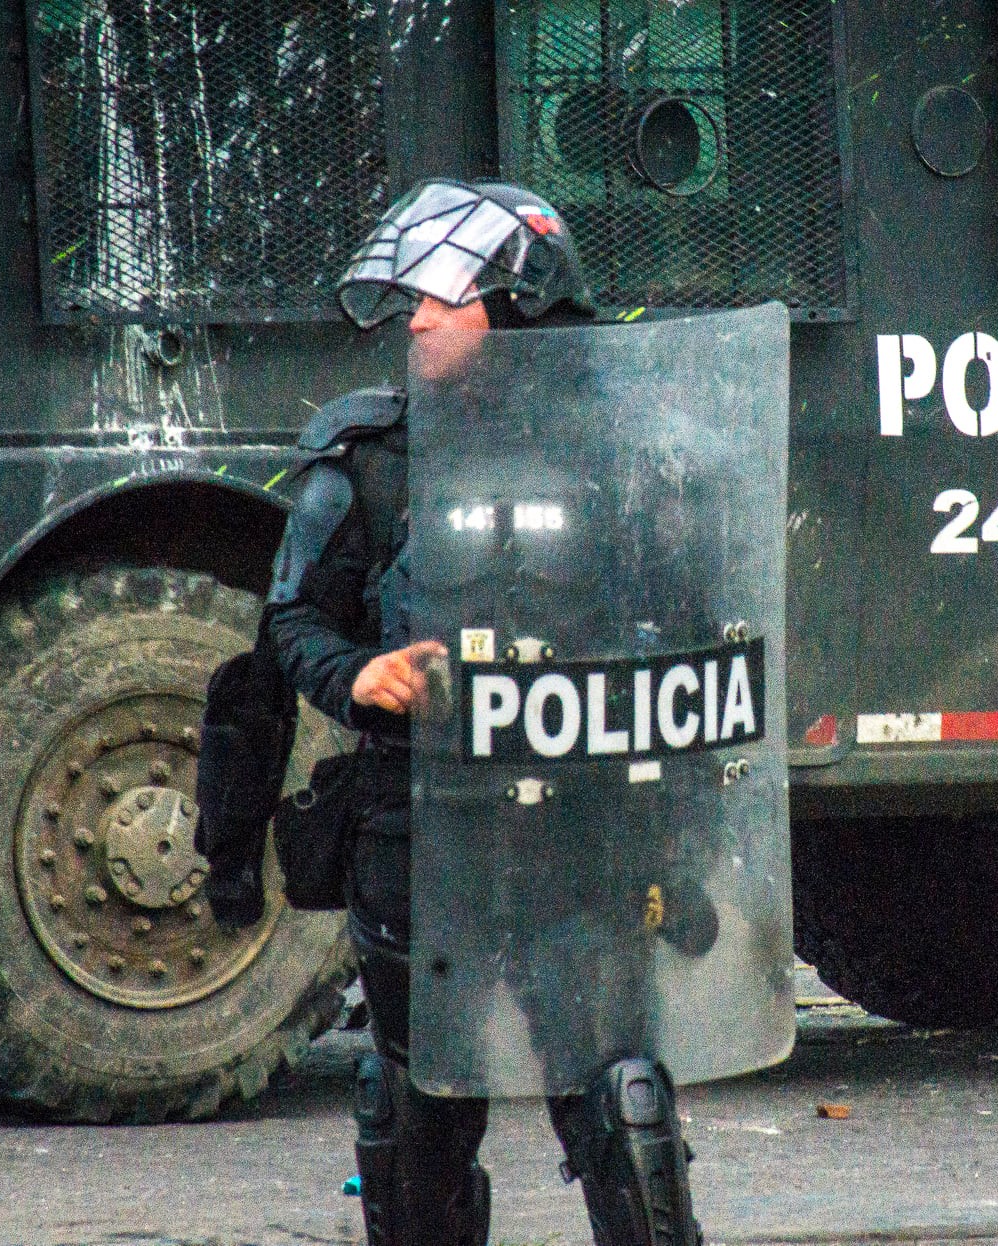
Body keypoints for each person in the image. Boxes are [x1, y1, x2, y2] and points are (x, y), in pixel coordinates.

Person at [252, 179, 703, 1246]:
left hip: (576, 829)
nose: (414, 318)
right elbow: (293, 620)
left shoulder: (625, 461)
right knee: (415, 1106)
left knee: (618, 1097)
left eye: (442, 296)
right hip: (417, 827)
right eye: (409, 296)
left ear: (520, 310)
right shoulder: (369, 464)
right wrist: (357, 676)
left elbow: (695, 624)